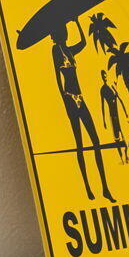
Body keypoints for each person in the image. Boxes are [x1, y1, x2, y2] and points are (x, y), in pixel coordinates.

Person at [51, 22, 114, 201]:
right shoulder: (56, 50)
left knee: (96, 142)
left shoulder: (70, 50)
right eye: (62, 31)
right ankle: (87, 188)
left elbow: (84, 43)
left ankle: (105, 188)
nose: (65, 34)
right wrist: (64, 100)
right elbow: (57, 77)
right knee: (80, 144)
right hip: (70, 98)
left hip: (81, 97)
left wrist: (77, 22)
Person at [99, 71, 128, 162]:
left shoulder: (112, 87)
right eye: (103, 77)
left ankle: (126, 156)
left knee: (125, 136)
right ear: (102, 78)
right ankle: (121, 158)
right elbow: (102, 105)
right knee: (117, 139)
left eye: (105, 76)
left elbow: (120, 99)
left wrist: (126, 113)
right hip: (112, 115)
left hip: (119, 113)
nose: (105, 78)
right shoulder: (103, 89)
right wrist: (103, 120)